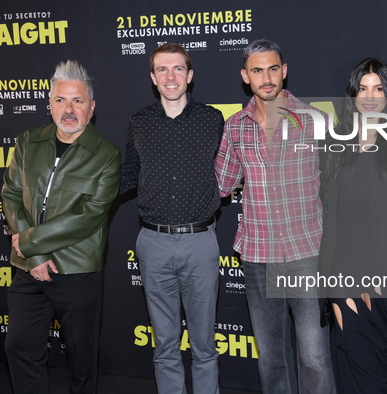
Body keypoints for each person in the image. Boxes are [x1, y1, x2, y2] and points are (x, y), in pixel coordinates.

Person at [215, 39, 336, 394]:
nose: (266, 78)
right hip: (258, 256)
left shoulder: (316, 122)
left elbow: (338, 190)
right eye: (257, 70)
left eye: (272, 68)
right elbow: (223, 185)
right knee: (270, 357)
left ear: (284, 71)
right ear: (245, 76)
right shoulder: (235, 126)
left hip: (307, 253)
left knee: (314, 357)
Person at [2, 60, 121, 394]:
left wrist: (28, 243)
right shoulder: (28, 141)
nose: (69, 109)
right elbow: (11, 194)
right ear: (50, 104)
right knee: (19, 347)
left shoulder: (107, 155)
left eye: (78, 101)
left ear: (92, 107)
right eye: (60, 100)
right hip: (29, 267)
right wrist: (33, 255)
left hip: (77, 270)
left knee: (81, 361)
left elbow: (89, 215)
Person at [120, 43, 224, 394]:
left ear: (190, 75)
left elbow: (229, 171)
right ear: (152, 78)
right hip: (154, 244)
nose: (170, 76)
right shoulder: (140, 122)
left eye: (177, 68)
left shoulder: (212, 119)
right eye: (162, 69)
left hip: (200, 243)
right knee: (165, 346)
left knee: (204, 345)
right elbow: (127, 176)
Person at [318, 58, 387, 393]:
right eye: (362, 88)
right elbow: (331, 219)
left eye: (378, 88)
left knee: (377, 377)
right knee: (351, 375)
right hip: (344, 281)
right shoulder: (336, 145)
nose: (370, 96)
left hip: (384, 284)